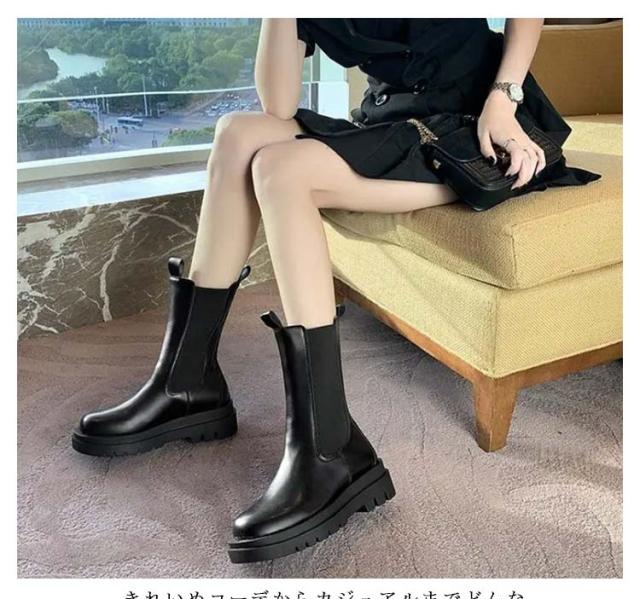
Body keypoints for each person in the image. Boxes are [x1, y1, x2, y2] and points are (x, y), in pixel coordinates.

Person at [71, 18, 600, 564]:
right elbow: (277, 105)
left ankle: (332, 450)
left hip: (479, 128)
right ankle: (186, 383)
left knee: (281, 168)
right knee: (237, 132)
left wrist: (504, 98)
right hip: (394, 123)